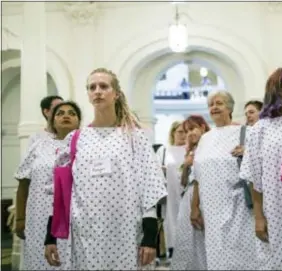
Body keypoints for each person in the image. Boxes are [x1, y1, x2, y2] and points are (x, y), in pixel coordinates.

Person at [43, 68, 167, 270]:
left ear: (116, 93)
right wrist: (51, 237)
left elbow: (150, 187)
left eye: (104, 86)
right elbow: (61, 193)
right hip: (84, 232)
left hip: (126, 230)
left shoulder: (134, 137)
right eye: (92, 87)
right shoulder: (76, 139)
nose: (97, 91)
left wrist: (150, 237)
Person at [240, 67, 282, 270]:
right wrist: (259, 217)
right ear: (276, 89)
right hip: (277, 208)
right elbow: (254, 177)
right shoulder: (261, 128)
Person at [190, 91, 265, 270]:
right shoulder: (205, 139)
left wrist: (248, 152)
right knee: (217, 256)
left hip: (237, 205)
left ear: (230, 108)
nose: (214, 107)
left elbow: (260, 168)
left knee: (242, 255)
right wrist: (194, 208)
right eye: (211, 104)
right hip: (210, 209)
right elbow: (197, 177)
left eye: (219, 103)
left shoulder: (246, 133)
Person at [15, 101, 82, 270]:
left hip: (72, 217)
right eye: (60, 113)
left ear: (79, 121)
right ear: (52, 121)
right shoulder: (39, 146)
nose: (66, 115)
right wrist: (20, 218)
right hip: (38, 215)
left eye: (72, 113)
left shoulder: (86, 146)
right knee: (40, 260)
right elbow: (23, 183)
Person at [171, 115, 210, 270]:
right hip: (187, 199)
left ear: (202, 127)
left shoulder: (209, 148)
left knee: (203, 241)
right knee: (186, 241)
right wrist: (186, 166)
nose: (189, 133)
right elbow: (183, 182)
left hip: (204, 198)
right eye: (186, 131)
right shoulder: (189, 151)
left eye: (193, 129)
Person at [156, 121, 187, 263]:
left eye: (186, 132)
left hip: (187, 192)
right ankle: (172, 252)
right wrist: (161, 170)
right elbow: (154, 170)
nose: (183, 135)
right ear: (173, 133)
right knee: (170, 221)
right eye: (180, 132)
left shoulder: (191, 150)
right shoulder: (164, 151)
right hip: (170, 193)